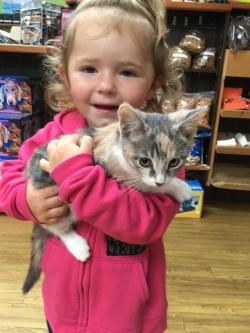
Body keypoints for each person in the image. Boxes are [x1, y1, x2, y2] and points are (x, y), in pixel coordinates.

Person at [0, 1, 184, 332]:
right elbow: (7, 177)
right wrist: (26, 199)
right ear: (64, 75)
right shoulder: (54, 134)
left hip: (130, 316)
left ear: (154, 83)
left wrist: (78, 177)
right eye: (89, 69)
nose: (106, 86)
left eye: (127, 72)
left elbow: (145, 225)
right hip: (63, 308)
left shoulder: (161, 150)